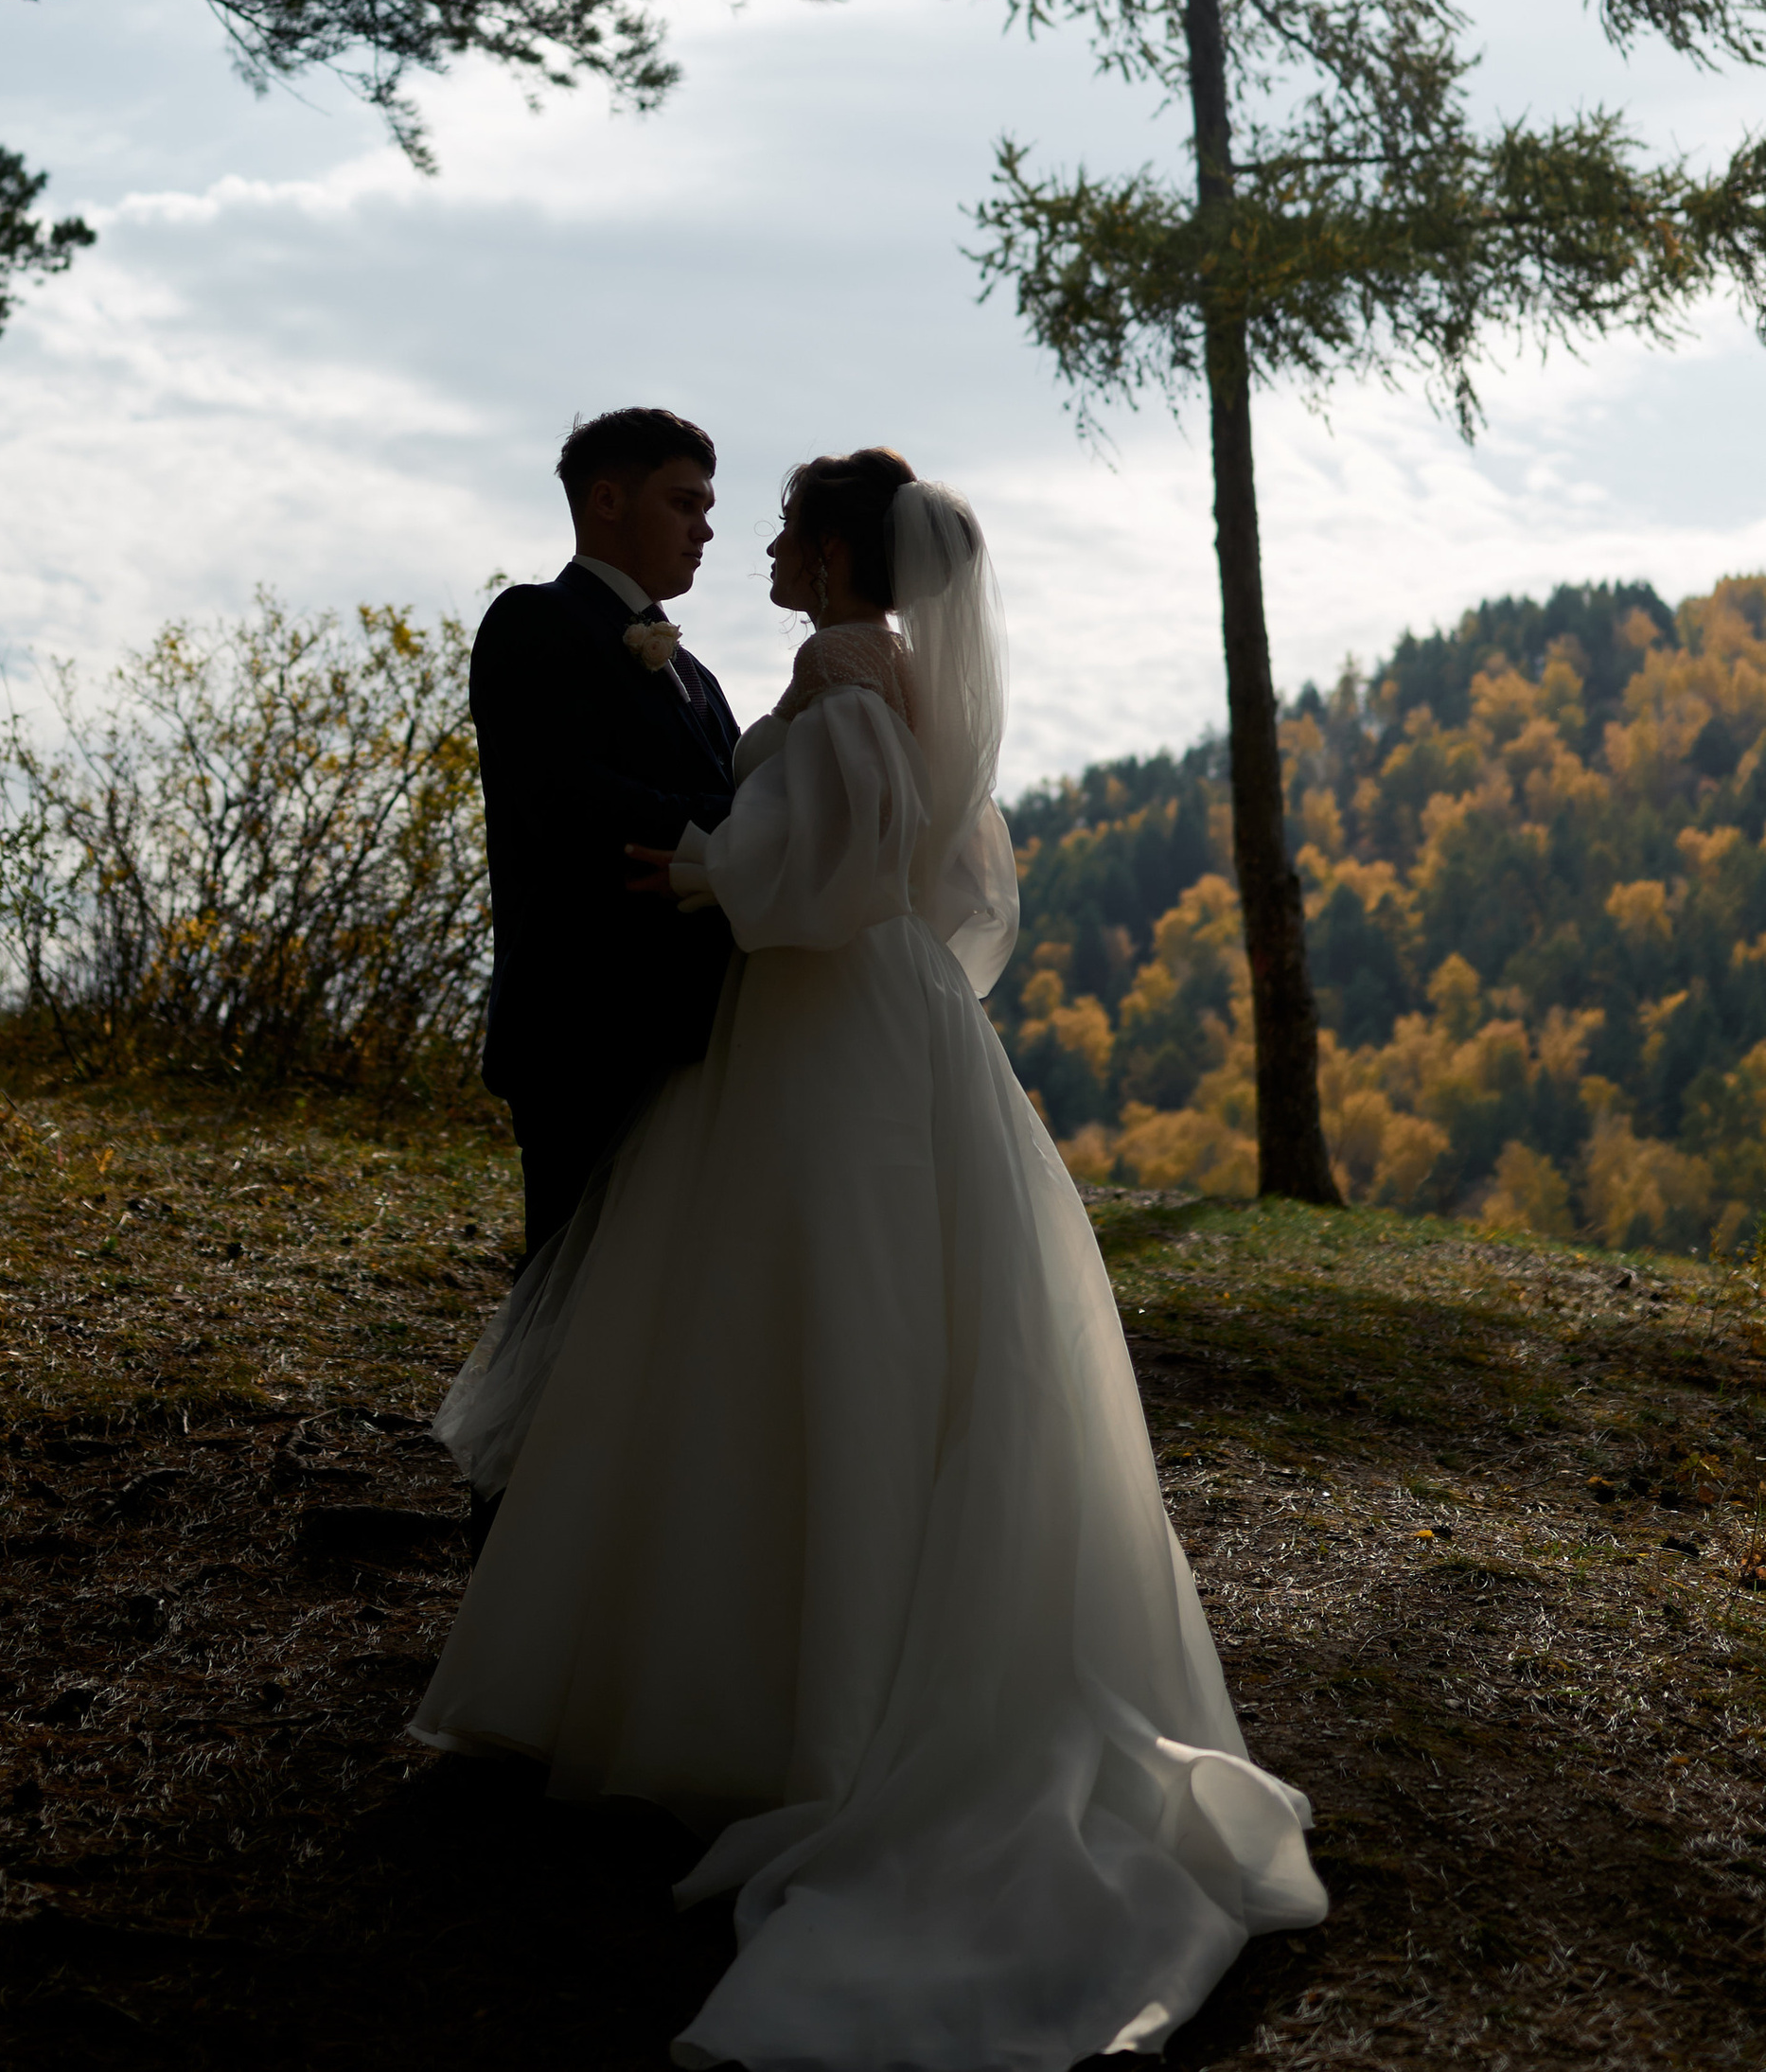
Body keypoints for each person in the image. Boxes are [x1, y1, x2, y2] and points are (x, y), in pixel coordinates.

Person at [416, 447, 1328, 2072]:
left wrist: (708, 867)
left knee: (805, 1321)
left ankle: (780, 1698)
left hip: (828, 1033)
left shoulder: (846, 667)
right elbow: (954, 870)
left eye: (779, 524)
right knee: (885, 1328)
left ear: (835, 553)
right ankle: (801, 1661)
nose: (756, 541)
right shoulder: (901, 674)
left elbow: (823, 866)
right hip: (892, 1027)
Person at [468, 406, 741, 1261]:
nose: (706, 529)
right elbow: (569, 795)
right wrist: (747, 836)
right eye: (684, 504)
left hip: (698, 1028)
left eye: (706, 506)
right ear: (608, 500)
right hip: (583, 1022)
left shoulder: (693, 671)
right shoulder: (533, 621)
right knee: (568, 1290)